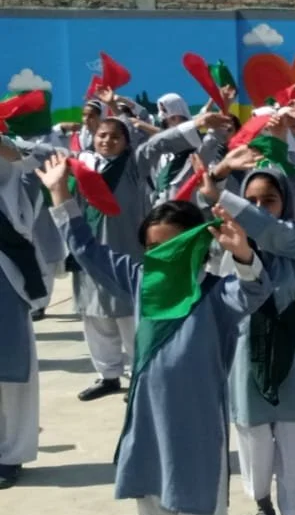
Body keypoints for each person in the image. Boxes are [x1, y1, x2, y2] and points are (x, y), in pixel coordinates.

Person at [42, 153, 271, 515]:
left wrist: (244, 254)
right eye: (154, 249)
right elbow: (87, 250)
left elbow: (256, 291)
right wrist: (60, 194)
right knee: (153, 509)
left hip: (196, 428)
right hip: (148, 424)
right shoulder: (139, 281)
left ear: (198, 244)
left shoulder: (215, 294)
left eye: (175, 247)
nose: (163, 258)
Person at [71, 109, 233, 402]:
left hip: (127, 253)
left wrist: (197, 123)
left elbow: (159, 144)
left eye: (115, 137)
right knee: (95, 318)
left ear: (125, 141)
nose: (107, 141)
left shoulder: (133, 164)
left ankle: (138, 375)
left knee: (131, 318)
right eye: (102, 136)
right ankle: (107, 375)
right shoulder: (81, 166)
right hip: (91, 252)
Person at [204, 155, 295, 515]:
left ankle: (292, 514)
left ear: (285, 201)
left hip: (290, 355)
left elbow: (268, 230)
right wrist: (214, 179)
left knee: (294, 437)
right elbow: (191, 210)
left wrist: (230, 198)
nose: (260, 207)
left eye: (269, 199)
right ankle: (262, 508)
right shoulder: (226, 246)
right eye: (251, 198)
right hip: (242, 355)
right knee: (251, 436)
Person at [0, 138, 64, 489]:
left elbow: (33, 160)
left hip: (7, 283)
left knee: (12, 378)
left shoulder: (14, 184)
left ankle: (11, 455)